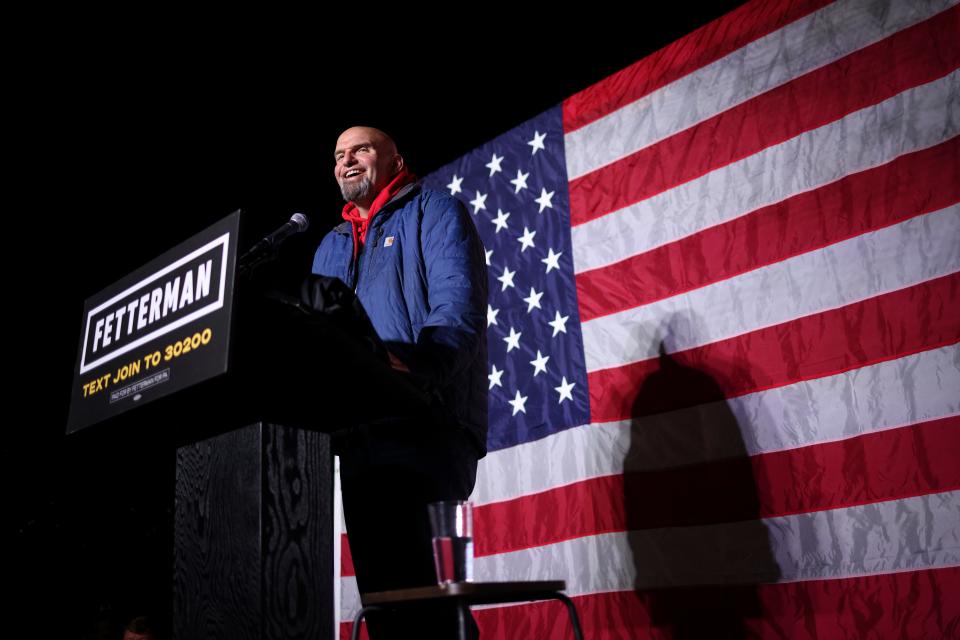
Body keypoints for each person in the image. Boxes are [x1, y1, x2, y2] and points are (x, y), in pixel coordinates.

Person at [312, 126, 488, 639]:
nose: (347, 160)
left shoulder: (434, 211)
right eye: (338, 153)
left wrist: (419, 372)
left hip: (429, 426)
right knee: (386, 606)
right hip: (361, 437)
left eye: (360, 149)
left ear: (395, 159)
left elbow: (457, 311)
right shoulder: (329, 246)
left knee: (434, 604)